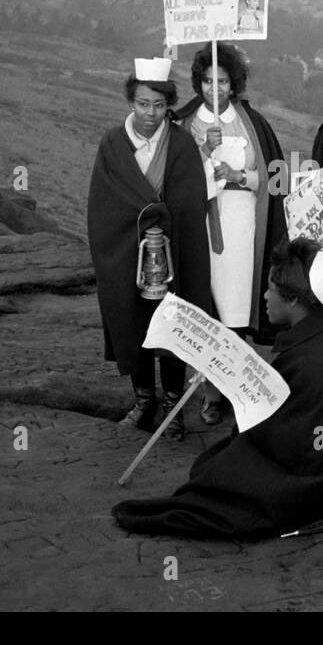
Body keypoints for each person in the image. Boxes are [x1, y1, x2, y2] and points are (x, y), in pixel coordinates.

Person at [112, 237, 323, 538]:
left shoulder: (310, 356)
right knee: (213, 464)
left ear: (293, 300)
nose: (264, 297)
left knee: (217, 477)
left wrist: (246, 414)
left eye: (271, 290)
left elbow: (294, 435)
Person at [86, 57, 212, 442]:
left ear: (167, 106)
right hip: (127, 250)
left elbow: (191, 203)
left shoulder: (181, 144)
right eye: (143, 104)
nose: (150, 114)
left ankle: (173, 406)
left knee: (172, 322)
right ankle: (143, 400)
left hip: (171, 254)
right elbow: (103, 204)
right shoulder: (112, 143)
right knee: (132, 319)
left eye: (158, 106)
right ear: (131, 102)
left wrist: (166, 227)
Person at [173, 42, 287, 425]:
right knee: (206, 307)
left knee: (236, 311)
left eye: (221, 81)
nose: (214, 89)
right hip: (200, 225)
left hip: (242, 226)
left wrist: (241, 176)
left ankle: (238, 391)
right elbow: (177, 180)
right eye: (207, 81)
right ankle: (209, 394)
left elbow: (276, 179)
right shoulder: (186, 123)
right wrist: (204, 152)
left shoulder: (252, 122)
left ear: (233, 82)